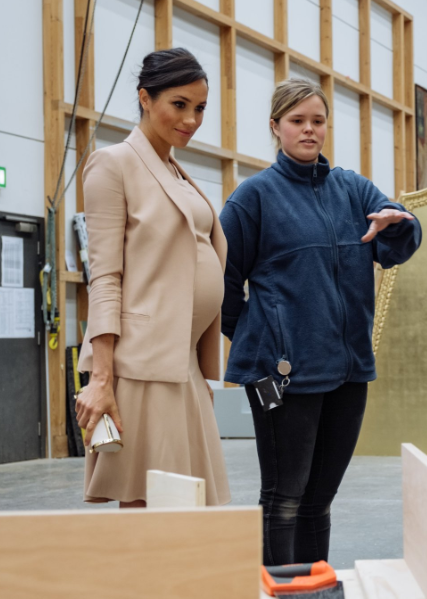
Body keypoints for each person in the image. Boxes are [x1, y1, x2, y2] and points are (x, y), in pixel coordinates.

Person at [219, 79, 422, 565]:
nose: (309, 130)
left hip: (348, 369)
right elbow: (221, 284)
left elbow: (399, 239)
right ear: (276, 127)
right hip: (280, 375)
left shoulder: (352, 189)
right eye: (297, 121)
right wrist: (262, 339)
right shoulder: (253, 198)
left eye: (318, 120)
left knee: (318, 500)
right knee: (284, 496)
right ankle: (280, 592)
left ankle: (313, 591)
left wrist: (403, 222)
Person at [75, 48, 230, 506]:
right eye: (179, 104)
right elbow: (104, 278)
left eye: (200, 108)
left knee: (188, 504)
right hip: (143, 366)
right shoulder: (113, 164)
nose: (191, 119)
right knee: (152, 504)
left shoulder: (178, 171)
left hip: (181, 361)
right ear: (145, 98)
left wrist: (200, 369)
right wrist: (100, 379)